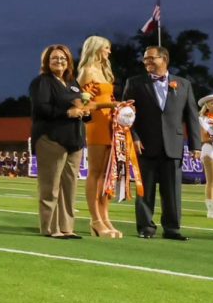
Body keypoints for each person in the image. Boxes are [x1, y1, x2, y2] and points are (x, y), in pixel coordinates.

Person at [121, 46, 203, 240]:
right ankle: (146, 228)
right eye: (145, 59)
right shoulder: (134, 83)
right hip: (145, 145)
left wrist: (195, 146)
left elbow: (191, 116)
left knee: (172, 192)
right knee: (145, 191)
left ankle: (173, 229)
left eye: (151, 58)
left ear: (164, 58)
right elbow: (125, 114)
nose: (146, 62)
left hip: (173, 146)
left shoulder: (183, 84)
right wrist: (134, 137)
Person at [30, 45, 88, 239]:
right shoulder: (42, 82)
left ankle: (67, 227)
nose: (59, 62)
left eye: (63, 58)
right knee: (50, 185)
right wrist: (67, 113)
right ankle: (50, 227)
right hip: (51, 139)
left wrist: (86, 112)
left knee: (70, 187)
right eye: (54, 58)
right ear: (46, 61)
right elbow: (41, 108)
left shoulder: (72, 82)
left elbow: (81, 106)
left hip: (74, 140)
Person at [76, 36, 122, 238]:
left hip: (111, 123)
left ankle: (105, 217)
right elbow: (83, 105)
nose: (109, 52)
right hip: (96, 124)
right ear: (95, 49)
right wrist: (111, 106)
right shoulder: (87, 72)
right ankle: (95, 220)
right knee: (95, 172)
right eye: (106, 48)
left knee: (107, 173)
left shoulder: (104, 71)